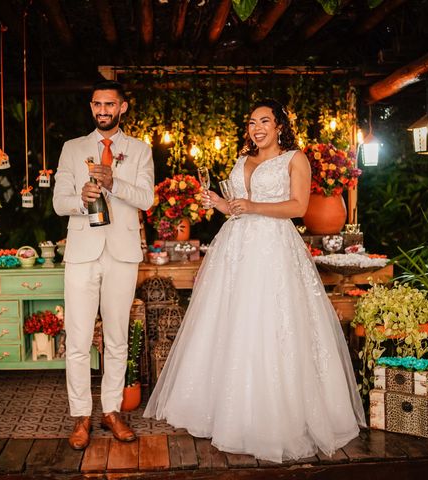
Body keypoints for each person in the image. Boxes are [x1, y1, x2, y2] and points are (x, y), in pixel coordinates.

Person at [144, 98, 366, 463]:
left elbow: (297, 207)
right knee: (231, 325)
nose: (257, 128)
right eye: (251, 122)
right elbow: (236, 208)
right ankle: (228, 414)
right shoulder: (240, 160)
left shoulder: (295, 159)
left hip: (274, 250)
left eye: (265, 121)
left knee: (272, 325)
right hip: (236, 249)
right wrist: (217, 201)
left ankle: (274, 419)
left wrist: (253, 207)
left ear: (280, 126)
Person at [53, 80, 155, 450]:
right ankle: (81, 416)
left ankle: (112, 411)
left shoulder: (140, 150)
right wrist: (80, 200)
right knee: (78, 340)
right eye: (97, 104)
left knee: (116, 339)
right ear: (91, 106)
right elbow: (58, 202)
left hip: (123, 254)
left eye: (109, 104)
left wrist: (115, 182)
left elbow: (146, 199)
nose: (102, 110)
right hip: (82, 252)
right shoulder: (72, 149)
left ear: (123, 108)